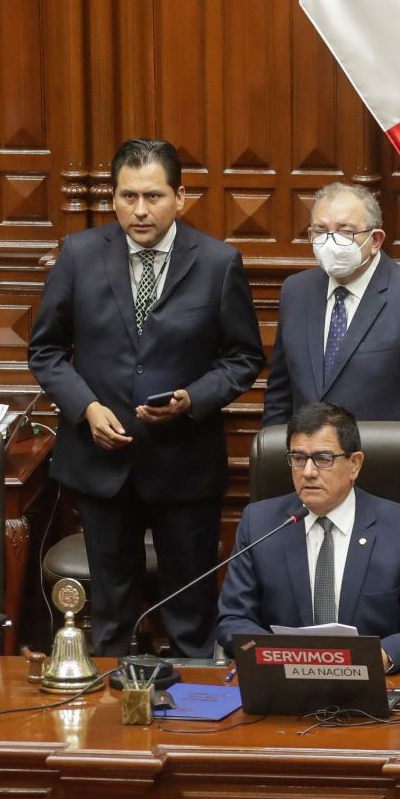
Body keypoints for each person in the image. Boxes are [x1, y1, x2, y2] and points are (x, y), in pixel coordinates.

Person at [28, 138, 265, 656]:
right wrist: (86, 407)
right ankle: (111, 724)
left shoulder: (218, 262)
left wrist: (191, 398)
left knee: (190, 613)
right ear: (112, 198)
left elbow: (244, 359)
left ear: (181, 197)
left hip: (183, 464)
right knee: (110, 613)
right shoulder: (79, 255)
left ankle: (193, 725)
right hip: (101, 462)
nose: (140, 210)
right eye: (128, 196)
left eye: (154, 196)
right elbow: (45, 351)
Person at [215, 402, 400, 671]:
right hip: (284, 687)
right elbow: (233, 618)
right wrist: (276, 657)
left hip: (375, 687)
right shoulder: (260, 524)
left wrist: (378, 658)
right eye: (298, 458)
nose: (309, 472)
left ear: (354, 464)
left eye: (323, 459)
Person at [262, 182, 400, 425]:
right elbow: (280, 392)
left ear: (375, 240)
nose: (330, 242)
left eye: (345, 231)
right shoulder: (296, 292)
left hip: (384, 458)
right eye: (320, 231)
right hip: (307, 459)